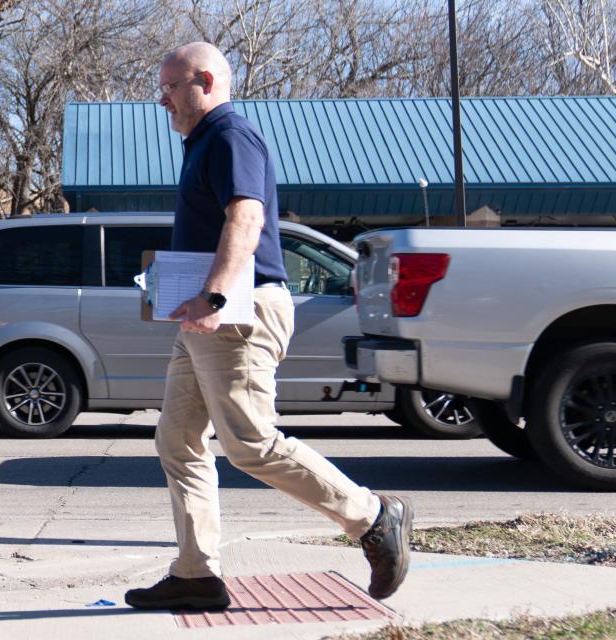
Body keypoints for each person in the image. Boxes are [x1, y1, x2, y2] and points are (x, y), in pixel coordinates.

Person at [124, 42, 413, 612]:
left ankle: (373, 518)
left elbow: (247, 216)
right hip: (207, 317)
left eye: (171, 87)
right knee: (178, 439)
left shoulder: (230, 134)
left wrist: (214, 293)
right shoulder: (204, 141)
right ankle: (195, 574)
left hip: (238, 311)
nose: (162, 100)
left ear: (204, 81)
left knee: (249, 443)